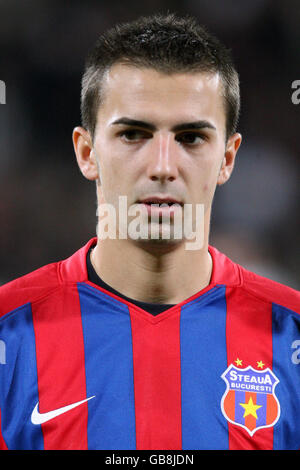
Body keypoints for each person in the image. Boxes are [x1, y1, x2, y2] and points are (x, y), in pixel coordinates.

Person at [0, 13, 299, 451]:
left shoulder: (290, 338)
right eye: (134, 134)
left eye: (192, 138)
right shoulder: (10, 336)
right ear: (86, 152)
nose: (162, 166)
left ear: (228, 159)